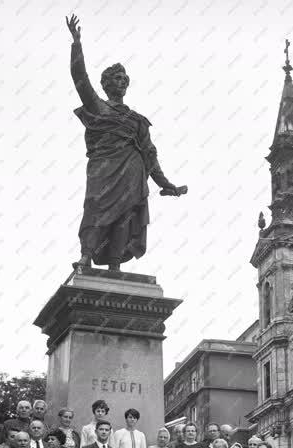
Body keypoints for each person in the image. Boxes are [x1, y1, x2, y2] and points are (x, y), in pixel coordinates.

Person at [66, 15, 186, 271]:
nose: (122, 82)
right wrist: (76, 44)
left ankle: (114, 265)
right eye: (117, 78)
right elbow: (79, 78)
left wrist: (168, 185)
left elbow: (150, 157)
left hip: (132, 170)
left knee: (125, 215)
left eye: (125, 79)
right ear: (107, 83)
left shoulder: (137, 120)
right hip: (103, 169)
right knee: (95, 207)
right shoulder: (97, 107)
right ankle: (86, 256)